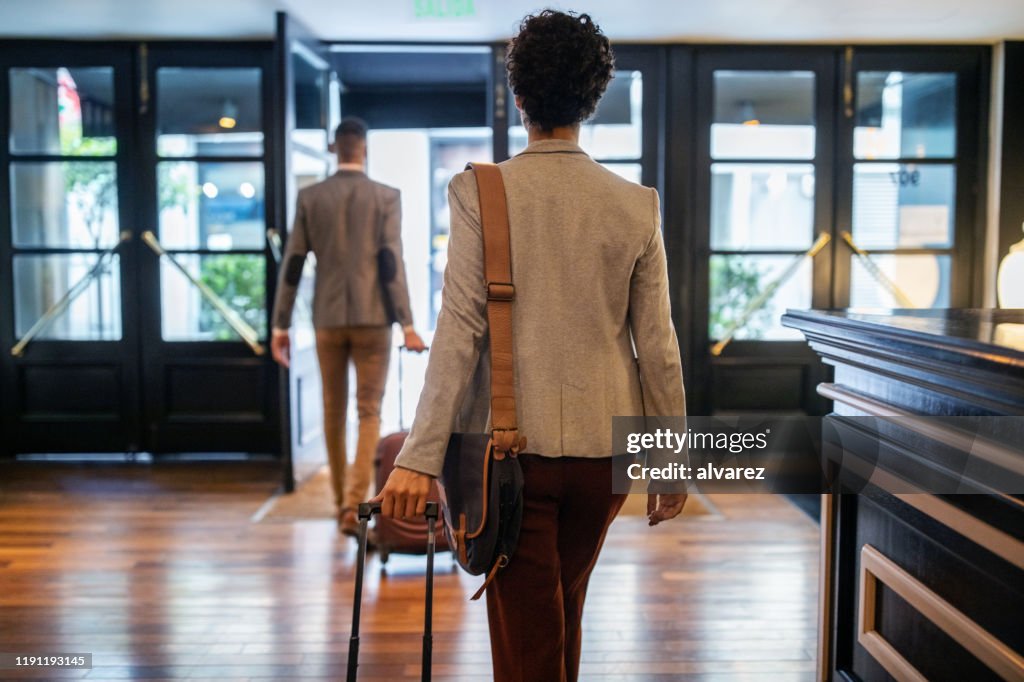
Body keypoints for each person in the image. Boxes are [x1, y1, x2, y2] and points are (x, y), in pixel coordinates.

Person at [374, 10, 687, 682]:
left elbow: (458, 332)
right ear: (592, 100)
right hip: (607, 458)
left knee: (528, 637)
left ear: (519, 99)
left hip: (510, 455)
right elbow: (658, 346)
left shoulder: (480, 193)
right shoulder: (637, 205)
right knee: (559, 609)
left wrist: (418, 457)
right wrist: (670, 459)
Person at [270, 117, 426, 537]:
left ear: (333, 148)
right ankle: (354, 505)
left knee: (333, 411)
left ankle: (341, 501)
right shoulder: (385, 197)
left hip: (327, 319)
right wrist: (407, 322)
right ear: (365, 149)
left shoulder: (311, 197)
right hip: (375, 320)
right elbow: (391, 262)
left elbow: (293, 264)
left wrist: (280, 325)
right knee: (368, 411)